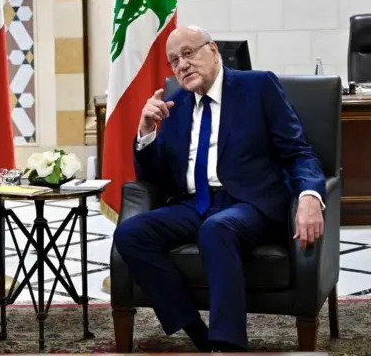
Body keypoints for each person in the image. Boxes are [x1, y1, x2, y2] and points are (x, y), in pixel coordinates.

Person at [113, 25, 326, 352]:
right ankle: (198, 333)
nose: (181, 65)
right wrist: (145, 132)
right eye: (173, 60)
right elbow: (155, 177)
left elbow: (298, 151)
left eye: (188, 53)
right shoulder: (173, 106)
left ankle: (229, 345)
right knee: (129, 233)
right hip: (192, 203)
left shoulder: (257, 87)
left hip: (248, 203)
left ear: (213, 50)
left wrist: (310, 196)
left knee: (217, 228)